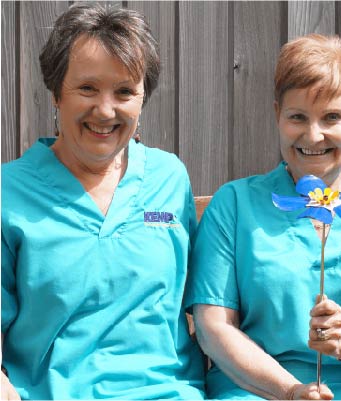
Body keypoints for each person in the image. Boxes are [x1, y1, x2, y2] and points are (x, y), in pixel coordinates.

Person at [185, 34, 341, 400]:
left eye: (332, 117)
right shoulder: (235, 205)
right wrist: (290, 391)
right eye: (297, 117)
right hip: (257, 389)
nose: (313, 135)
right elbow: (214, 329)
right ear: (277, 115)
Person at [1, 4, 205, 399]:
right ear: (56, 91)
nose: (106, 110)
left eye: (125, 91)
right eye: (88, 88)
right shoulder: (8, 193)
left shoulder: (168, 177)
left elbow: (212, 309)